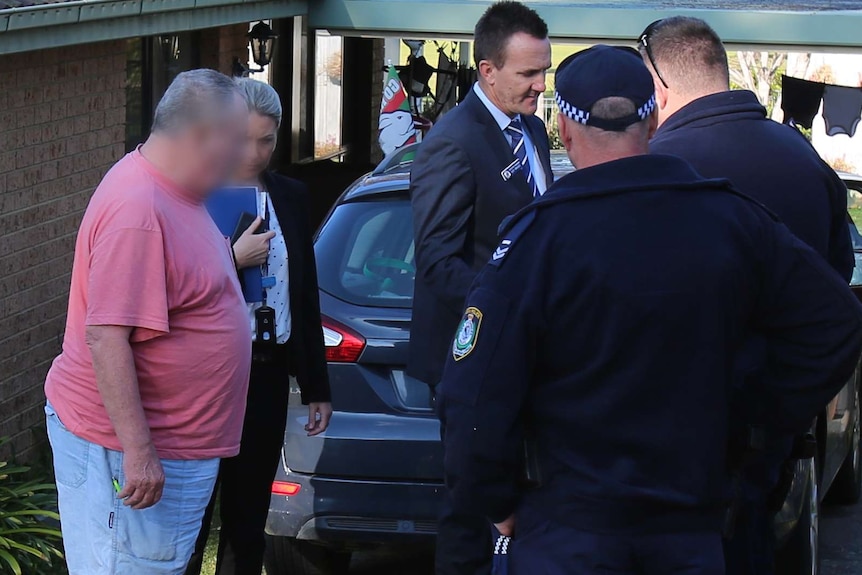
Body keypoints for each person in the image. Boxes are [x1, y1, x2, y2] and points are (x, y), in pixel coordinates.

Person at [437, 45, 862, 575]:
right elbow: (835, 323)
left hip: (571, 530)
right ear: (655, 117)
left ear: (564, 132)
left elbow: (472, 397)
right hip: (690, 526)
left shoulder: (536, 241)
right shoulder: (730, 221)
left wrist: (494, 502)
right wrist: (752, 421)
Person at [637, 17, 854, 574]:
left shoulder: (657, 167)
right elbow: (834, 296)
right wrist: (782, 410)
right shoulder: (803, 158)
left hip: (673, 443)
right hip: (770, 440)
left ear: (658, 88)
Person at [44, 69, 250, 575]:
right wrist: (138, 453)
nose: (241, 157)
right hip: (128, 454)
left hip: (173, 446)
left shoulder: (176, 193)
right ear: (199, 135)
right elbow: (106, 335)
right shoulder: (138, 209)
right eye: (235, 141)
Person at [408, 2, 554, 573]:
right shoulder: (452, 141)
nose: (540, 86)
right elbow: (439, 262)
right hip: (472, 362)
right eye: (527, 74)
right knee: (470, 514)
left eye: (544, 72)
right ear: (487, 71)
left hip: (527, 358)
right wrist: (512, 313)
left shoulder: (534, 131)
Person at [185, 78, 332, 575]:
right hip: (204, 375)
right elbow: (173, 287)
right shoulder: (191, 196)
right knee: (194, 514)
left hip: (267, 371)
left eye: (266, 139)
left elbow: (305, 292)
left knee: (249, 520)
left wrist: (316, 384)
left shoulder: (290, 195)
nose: (254, 151)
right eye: (244, 138)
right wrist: (231, 257)